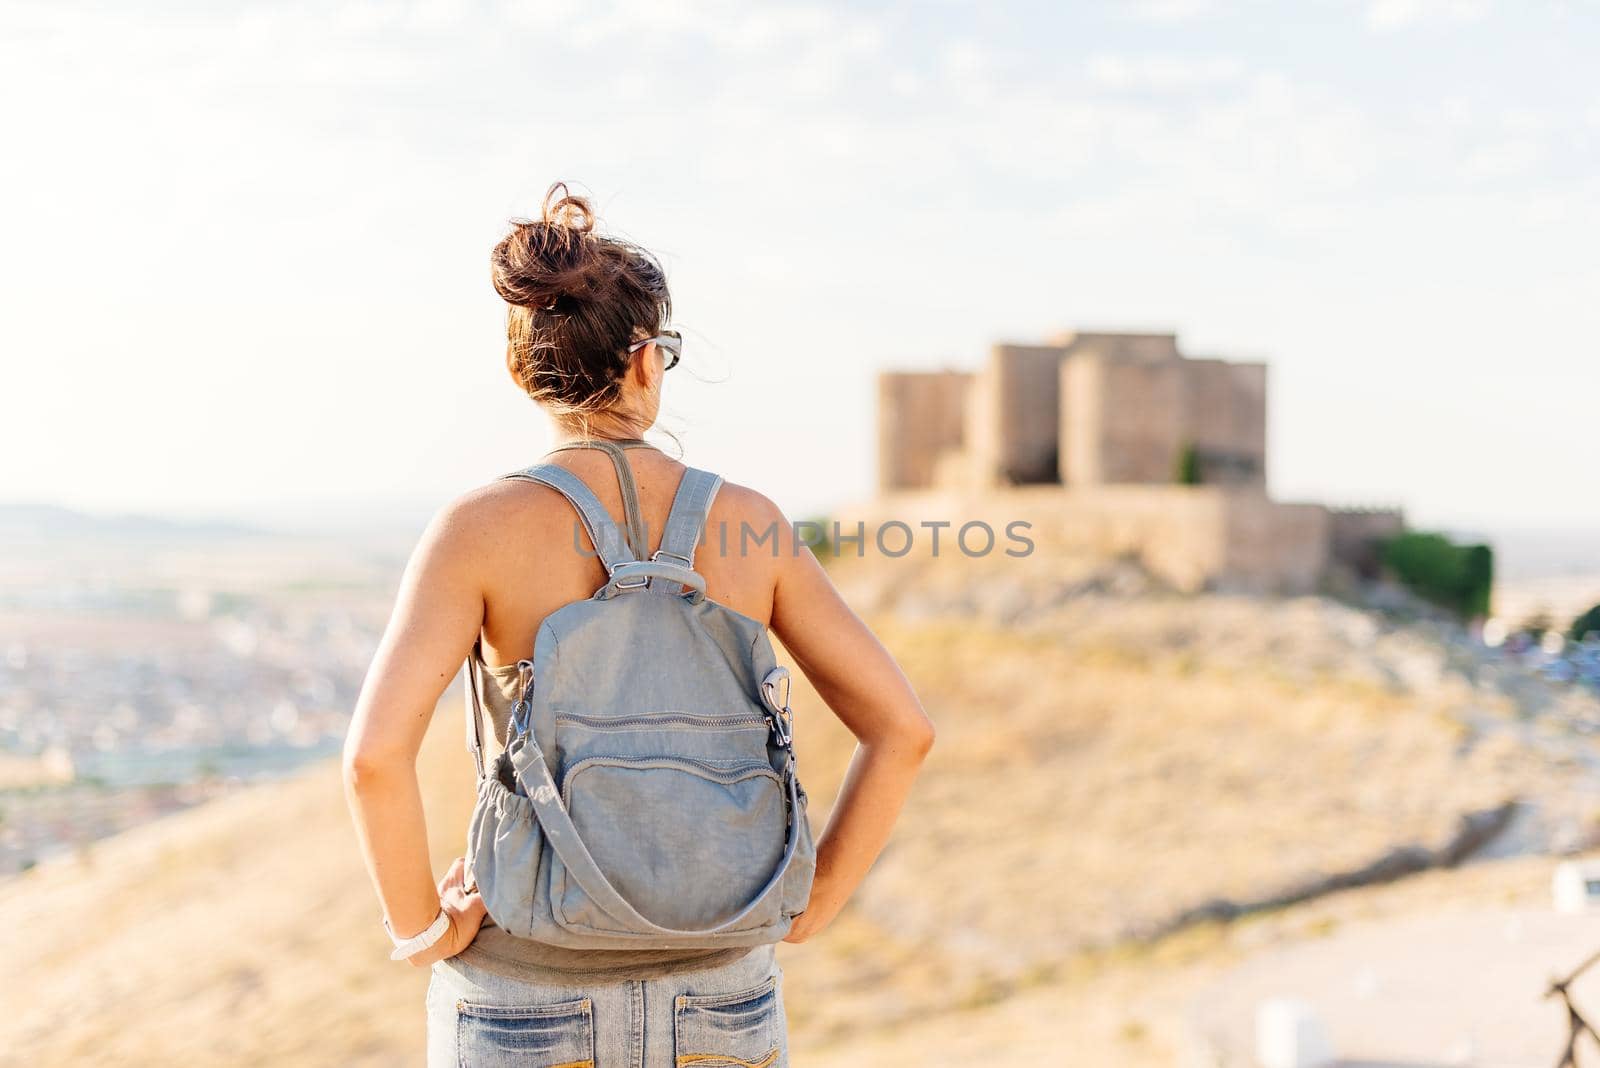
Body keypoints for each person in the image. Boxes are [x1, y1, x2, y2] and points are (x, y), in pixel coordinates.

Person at [341, 182, 936, 1067]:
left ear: (522, 371)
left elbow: (373, 760)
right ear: (649, 361)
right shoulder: (754, 525)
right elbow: (903, 729)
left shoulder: (476, 532)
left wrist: (422, 930)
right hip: (723, 999)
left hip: (521, 996)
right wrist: (812, 906)